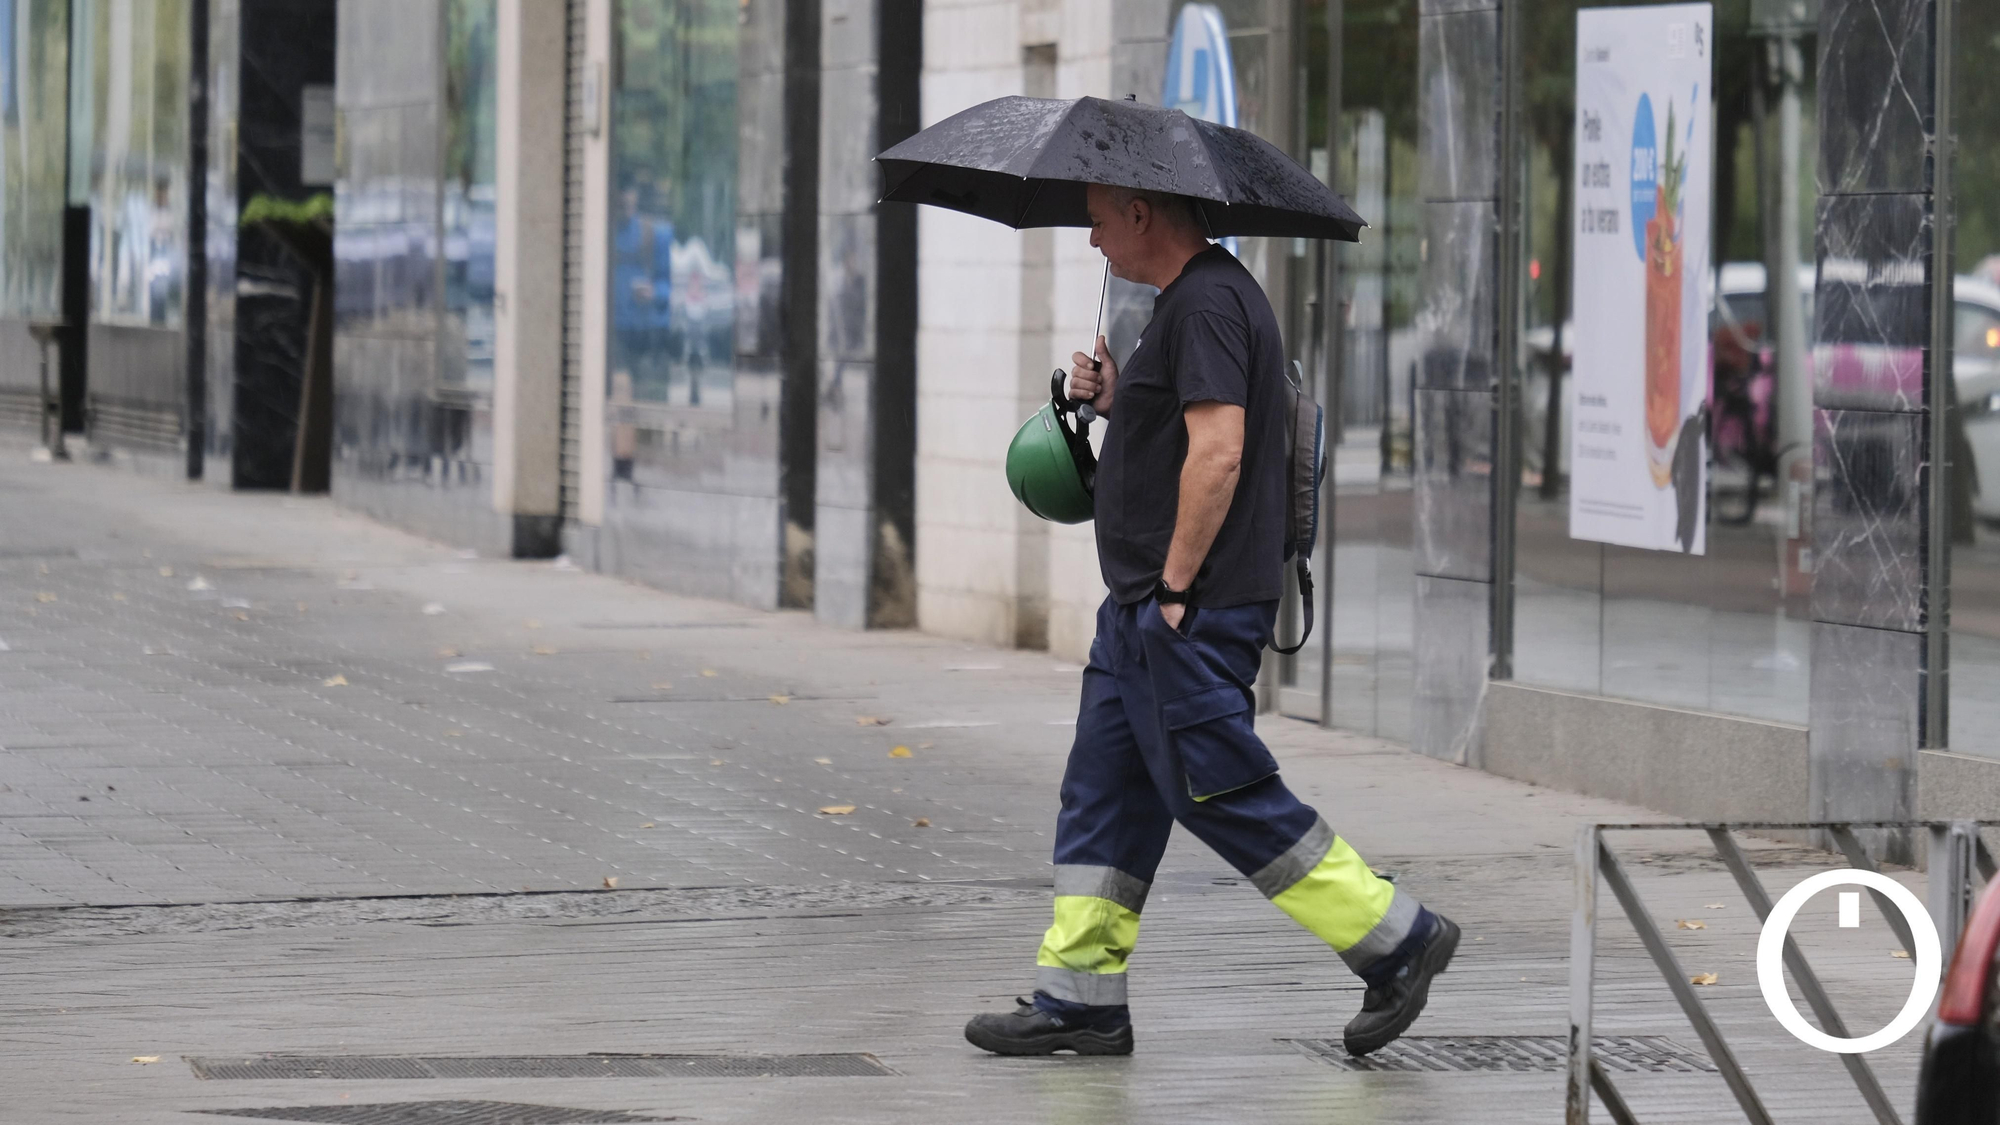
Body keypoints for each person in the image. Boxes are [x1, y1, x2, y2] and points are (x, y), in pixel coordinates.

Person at [964, 183, 1458, 1059]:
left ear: (1142, 214)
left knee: (1221, 789)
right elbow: (1178, 434)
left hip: (1185, 609)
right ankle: (1081, 995)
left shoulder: (1210, 305)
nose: (1093, 237)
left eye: (1100, 218)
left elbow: (1220, 451)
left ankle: (1396, 936)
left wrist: (1175, 588)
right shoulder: (1185, 307)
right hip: (1139, 610)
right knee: (1104, 792)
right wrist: (1117, 398)